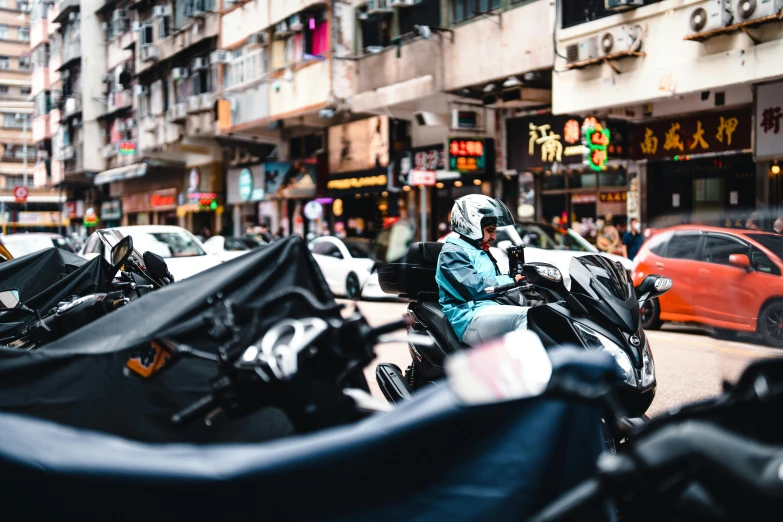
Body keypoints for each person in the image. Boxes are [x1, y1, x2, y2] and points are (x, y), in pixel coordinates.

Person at [435, 195, 529, 347]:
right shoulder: (452, 252)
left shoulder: (479, 251)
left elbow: (494, 283)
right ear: (471, 225)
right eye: (490, 230)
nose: (494, 236)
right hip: (469, 317)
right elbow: (474, 287)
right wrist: (511, 280)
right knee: (527, 317)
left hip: (490, 310)